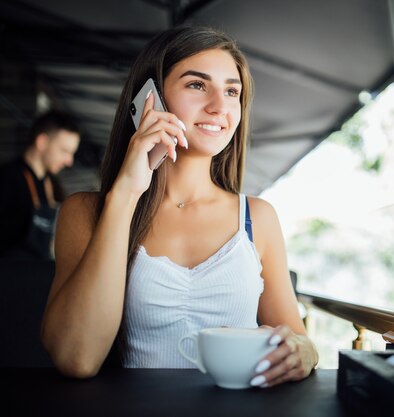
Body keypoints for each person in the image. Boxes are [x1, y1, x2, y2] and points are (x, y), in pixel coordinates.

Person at [40, 26, 318, 386]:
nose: (219, 106)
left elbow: (297, 339)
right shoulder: (87, 211)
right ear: (149, 98)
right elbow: (76, 358)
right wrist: (126, 193)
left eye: (232, 91)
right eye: (197, 85)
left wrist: (304, 352)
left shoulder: (257, 217)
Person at [0, 110, 80, 260]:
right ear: (42, 142)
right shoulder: (9, 178)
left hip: (36, 274)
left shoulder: (52, 187)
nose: (69, 161)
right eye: (64, 151)